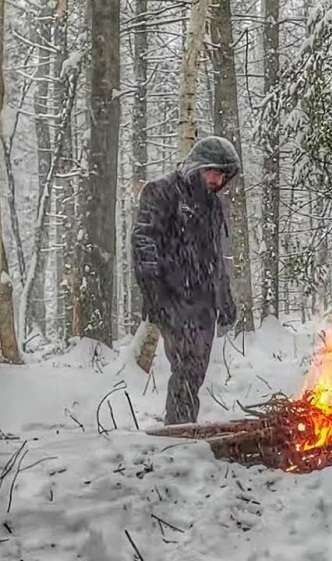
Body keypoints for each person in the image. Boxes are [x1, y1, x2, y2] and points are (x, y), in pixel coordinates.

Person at [131, 136, 240, 425]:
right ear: (197, 166)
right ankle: (180, 433)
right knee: (186, 368)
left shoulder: (213, 207)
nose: (216, 180)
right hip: (174, 298)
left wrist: (224, 297)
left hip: (205, 303)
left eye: (222, 175)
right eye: (212, 172)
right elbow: (144, 242)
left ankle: (183, 429)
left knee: (195, 373)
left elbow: (215, 256)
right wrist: (155, 296)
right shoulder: (162, 191)